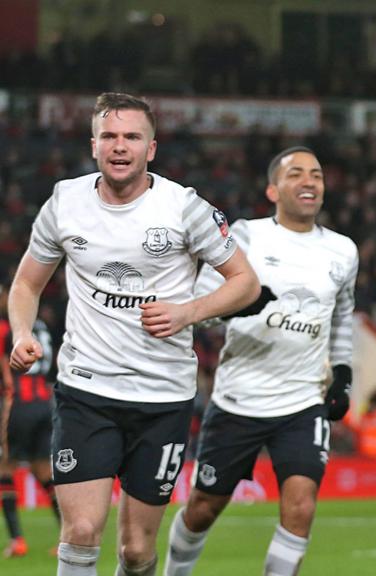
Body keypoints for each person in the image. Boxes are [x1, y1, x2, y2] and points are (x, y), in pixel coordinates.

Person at [7, 92, 260, 576]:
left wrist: (187, 313)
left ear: (151, 148)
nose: (119, 146)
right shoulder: (64, 201)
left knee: (136, 551)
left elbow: (245, 282)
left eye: (131, 137)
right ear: (94, 145)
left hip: (162, 397)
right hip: (86, 390)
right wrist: (22, 332)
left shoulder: (184, 208)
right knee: (80, 531)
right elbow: (25, 283)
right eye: (109, 136)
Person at [163, 146, 358, 576]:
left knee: (302, 506)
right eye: (296, 174)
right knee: (203, 507)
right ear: (273, 189)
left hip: (302, 402)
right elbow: (201, 303)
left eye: (317, 174)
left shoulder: (343, 251)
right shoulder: (246, 236)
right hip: (239, 399)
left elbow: (342, 316)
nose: (309, 181)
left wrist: (342, 374)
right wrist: (242, 305)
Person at [0, 283, 62, 558]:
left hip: (19, 404)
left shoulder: (5, 328)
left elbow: (6, 372)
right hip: (43, 402)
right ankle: (67, 538)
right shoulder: (38, 326)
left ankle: (17, 541)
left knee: (4, 469)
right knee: (43, 472)